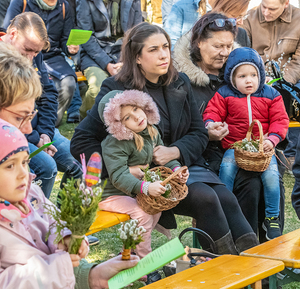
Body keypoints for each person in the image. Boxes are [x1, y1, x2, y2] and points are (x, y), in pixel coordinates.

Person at [71, 22, 259, 255]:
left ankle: (252, 266)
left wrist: (176, 151)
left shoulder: (180, 81)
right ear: (137, 57)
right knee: (207, 198)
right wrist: (122, 168)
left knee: (225, 197)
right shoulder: (117, 89)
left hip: (182, 167)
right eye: (153, 50)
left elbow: (198, 132)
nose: (163, 55)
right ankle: (229, 270)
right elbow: (81, 142)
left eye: (166, 47)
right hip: (149, 179)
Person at [172, 12, 286, 238]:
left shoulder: (240, 71)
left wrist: (269, 140)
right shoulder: (182, 80)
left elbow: (274, 117)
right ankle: (229, 251)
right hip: (205, 156)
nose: (224, 52)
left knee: (268, 179)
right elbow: (179, 128)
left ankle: (266, 251)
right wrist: (207, 132)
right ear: (199, 43)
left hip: (250, 151)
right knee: (247, 186)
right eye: (217, 46)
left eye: (228, 45)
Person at [0, 119, 139, 288]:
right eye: (9, 166)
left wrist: (65, 236)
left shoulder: (33, 194)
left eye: (25, 162)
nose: (23, 173)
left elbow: (53, 222)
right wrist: (59, 267)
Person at [98, 89, 189, 284]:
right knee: (143, 213)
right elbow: (118, 176)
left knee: (153, 210)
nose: (137, 117)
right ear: (118, 126)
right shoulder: (114, 143)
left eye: (136, 109)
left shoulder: (150, 131)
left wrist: (176, 170)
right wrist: (145, 187)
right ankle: (145, 266)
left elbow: (162, 159)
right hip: (109, 194)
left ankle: (128, 257)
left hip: (132, 189)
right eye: (127, 118)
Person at [203, 47, 289, 240]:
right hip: (236, 146)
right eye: (242, 76)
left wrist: (272, 139)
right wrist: (210, 124)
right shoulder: (224, 94)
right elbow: (212, 112)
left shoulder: (271, 94)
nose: (248, 80)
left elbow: (280, 120)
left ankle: (272, 217)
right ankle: (225, 208)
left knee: (272, 177)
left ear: (260, 74)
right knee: (226, 170)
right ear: (232, 78)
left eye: (253, 75)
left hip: (263, 148)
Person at [0, 13, 82, 200]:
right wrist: (36, 138)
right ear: (13, 34)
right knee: (46, 167)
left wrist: (46, 133)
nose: (30, 58)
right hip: (13, 133)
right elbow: (7, 119)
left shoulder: (32, 54)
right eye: (27, 50)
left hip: (37, 129)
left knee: (77, 161)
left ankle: (65, 226)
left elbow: (49, 93)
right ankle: (34, 222)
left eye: (36, 53)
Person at [4, 0, 80, 126]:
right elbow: (7, 31)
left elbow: (65, 38)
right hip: (20, 56)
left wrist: (69, 48)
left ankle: (51, 123)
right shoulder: (20, 2)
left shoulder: (63, 6)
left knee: (68, 83)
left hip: (52, 56)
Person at [243, 0, 300, 169]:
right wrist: (258, 76)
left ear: (286, 4)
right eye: (264, 6)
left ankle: (287, 151)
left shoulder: (298, 20)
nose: (266, 12)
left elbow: (299, 60)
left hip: (289, 78)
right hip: (256, 76)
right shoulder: (250, 18)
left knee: (286, 95)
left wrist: (281, 82)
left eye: (272, 9)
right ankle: (262, 147)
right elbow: (244, 54)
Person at [76, 0, 142, 118]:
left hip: (124, 52)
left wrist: (125, 60)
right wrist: (107, 64)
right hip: (94, 54)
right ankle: (86, 117)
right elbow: (86, 38)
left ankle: (122, 121)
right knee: (98, 90)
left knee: (134, 85)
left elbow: (137, 33)